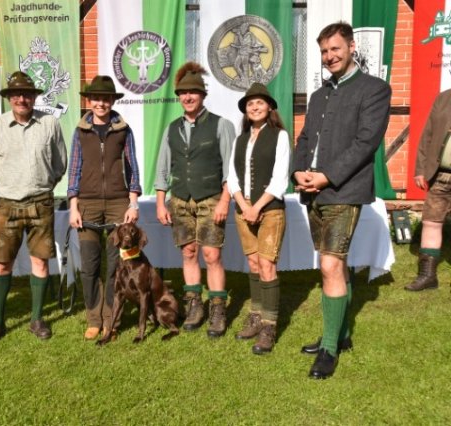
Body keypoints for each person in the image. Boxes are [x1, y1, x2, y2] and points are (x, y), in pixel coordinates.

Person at [292, 22, 391, 379]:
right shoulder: (319, 95)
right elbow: (304, 139)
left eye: (335, 49)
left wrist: (326, 176)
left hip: (343, 190)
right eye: (323, 51)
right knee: (335, 264)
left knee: (330, 266)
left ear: (351, 47)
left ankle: (329, 348)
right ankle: (341, 334)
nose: (329, 56)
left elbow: (366, 143)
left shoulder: (374, 89)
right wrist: (298, 171)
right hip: (311, 189)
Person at [0, 71, 67, 344]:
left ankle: (37, 318)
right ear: (9, 99)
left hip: (41, 203)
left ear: (34, 97)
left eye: (27, 94)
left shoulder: (50, 124)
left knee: (40, 260)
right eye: (16, 95)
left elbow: (59, 164)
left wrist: (41, 183)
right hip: (7, 204)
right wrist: (11, 185)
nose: (22, 99)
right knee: (2, 263)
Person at [154, 61, 236, 338]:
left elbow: (230, 168)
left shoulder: (221, 125)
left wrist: (225, 200)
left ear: (202, 96)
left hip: (211, 197)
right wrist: (160, 201)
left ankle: (217, 310)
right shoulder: (171, 128)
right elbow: (163, 167)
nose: (187, 97)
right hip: (179, 200)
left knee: (212, 254)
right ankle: (194, 307)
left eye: (193, 93)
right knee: (188, 252)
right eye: (182, 93)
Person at [67, 75, 142, 339]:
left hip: (118, 204)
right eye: (96, 98)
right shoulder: (80, 131)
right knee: (89, 266)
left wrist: (132, 203)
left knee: (115, 267)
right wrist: (73, 207)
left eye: (106, 98)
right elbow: (74, 169)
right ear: (89, 101)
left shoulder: (123, 129)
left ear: (112, 101)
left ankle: (111, 316)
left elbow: (133, 167)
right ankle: (93, 317)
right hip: (86, 204)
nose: (101, 103)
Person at [228, 83, 289, 354]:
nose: (254, 107)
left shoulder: (280, 136)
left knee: (267, 264)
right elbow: (232, 177)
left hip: (271, 208)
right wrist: (243, 204)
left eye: (259, 103)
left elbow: (280, 179)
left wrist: (257, 206)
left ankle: (269, 326)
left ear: (269, 107)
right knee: (252, 263)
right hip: (243, 208)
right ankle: (255, 316)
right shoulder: (240, 139)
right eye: (250, 103)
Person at [405, 89, 451, 292]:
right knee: (431, 222)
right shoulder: (443, 98)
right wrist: (421, 170)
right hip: (439, 175)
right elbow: (428, 134)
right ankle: (427, 276)